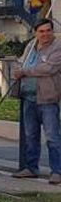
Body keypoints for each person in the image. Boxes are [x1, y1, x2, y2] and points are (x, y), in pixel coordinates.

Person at [13, 19, 61, 185]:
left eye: (48, 30)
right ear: (35, 32)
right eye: (41, 31)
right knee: (30, 135)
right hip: (28, 97)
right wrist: (19, 70)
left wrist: (25, 72)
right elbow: (21, 62)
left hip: (47, 98)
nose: (45, 34)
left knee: (52, 136)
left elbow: (49, 68)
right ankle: (31, 168)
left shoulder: (58, 46)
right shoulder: (31, 45)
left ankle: (57, 171)